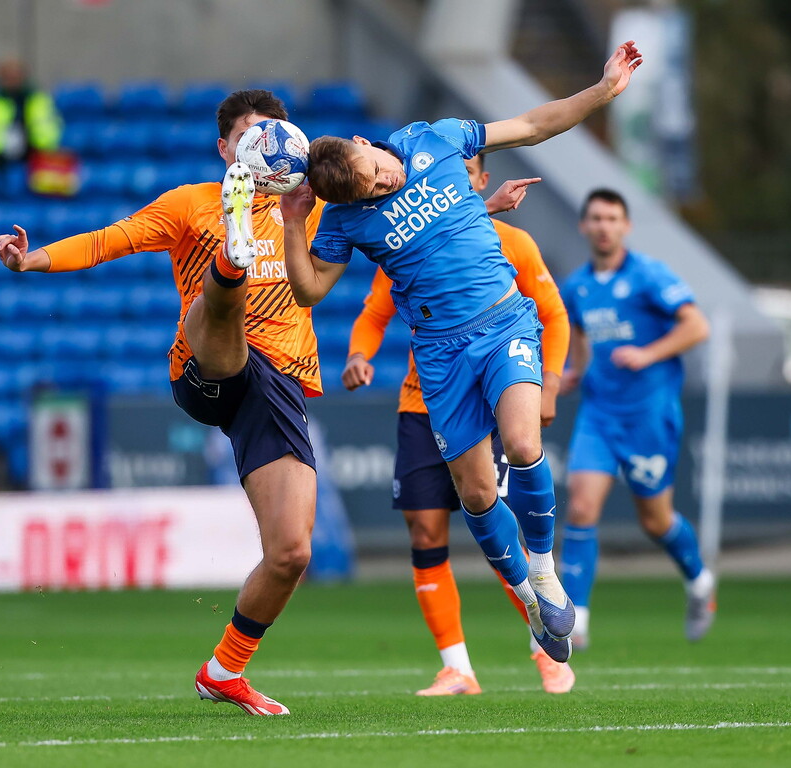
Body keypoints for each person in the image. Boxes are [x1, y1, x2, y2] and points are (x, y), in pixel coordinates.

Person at [283, 41, 644, 667]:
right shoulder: (341, 220)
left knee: (525, 445)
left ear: (362, 143)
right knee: (477, 495)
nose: (385, 184)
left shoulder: (435, 138)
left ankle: (545, 570)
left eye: (379, 173)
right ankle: (532, 601)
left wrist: (604, 90)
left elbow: (532, 126)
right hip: (440, 356)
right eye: (373, 190)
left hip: (504, 323)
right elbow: (309, 289)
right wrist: (293, 225)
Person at [0, 90, 325, 717]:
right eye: (251, 137)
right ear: (225, 149)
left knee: (290, 553)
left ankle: (223, 671)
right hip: (207, 368)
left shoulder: (309, 202)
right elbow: (107, 241)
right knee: (224, 291)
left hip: (276, 387)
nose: (265, 148)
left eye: (275, 135)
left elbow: (397, 208)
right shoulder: (189, 203)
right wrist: (28, 261)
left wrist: (473, 206)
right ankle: (231, 261)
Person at [342, 153, 575, 695]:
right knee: (426, 532)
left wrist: (552, 381)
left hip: (489, 397)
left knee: (501, 504)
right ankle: (457, 667)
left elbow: (554, 313)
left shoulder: (513, 242)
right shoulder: (406, 240)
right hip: (422, 402)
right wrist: (359, 353)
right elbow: (375, 312)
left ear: (480, 181)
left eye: (466, 175)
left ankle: (545, 642)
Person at [558, 188, 714, 648]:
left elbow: (696, 326)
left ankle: (700, 583)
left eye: (612, 218)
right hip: (599, 412)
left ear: (625, 226)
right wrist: (576, 372)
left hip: (649, 415)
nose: (604, 226)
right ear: (584, 226)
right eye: (596, 218)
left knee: (655, 521)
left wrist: (648, 354)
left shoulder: (648, 275)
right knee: (581, 506)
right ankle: (577, 621)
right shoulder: (577, 285)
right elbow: (583, 335)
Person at [0, 58, 62, 161]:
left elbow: (50, 128)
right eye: (8, 77)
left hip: (32, 154)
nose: (12, 80)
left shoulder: (38, 100)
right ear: (0, 78)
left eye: (16, 76)